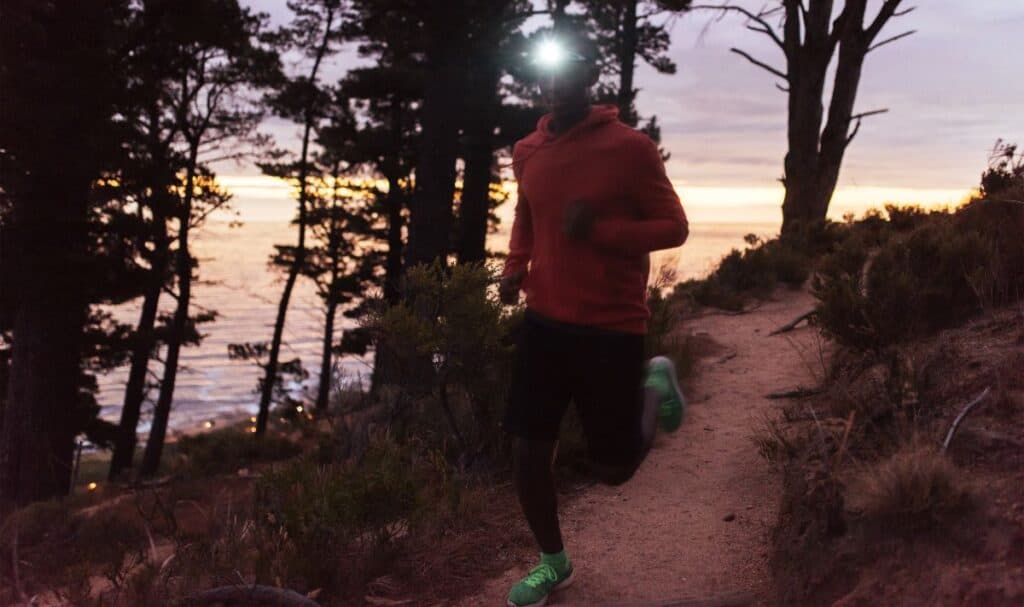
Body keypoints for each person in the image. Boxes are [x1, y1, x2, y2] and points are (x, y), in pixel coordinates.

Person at [499, 30, 690, 607]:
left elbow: (673, 228)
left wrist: (599, 232)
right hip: (545, 320)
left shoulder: (630, 148)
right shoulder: (527, 150)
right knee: (528, 452)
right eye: (547, 73)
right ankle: (554, 565)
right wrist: (515, 268)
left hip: (611, 324)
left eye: (569, 71)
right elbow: (527, 218)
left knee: (612, 471)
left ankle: (655, 383)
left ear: (591, 76)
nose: (557, 83)